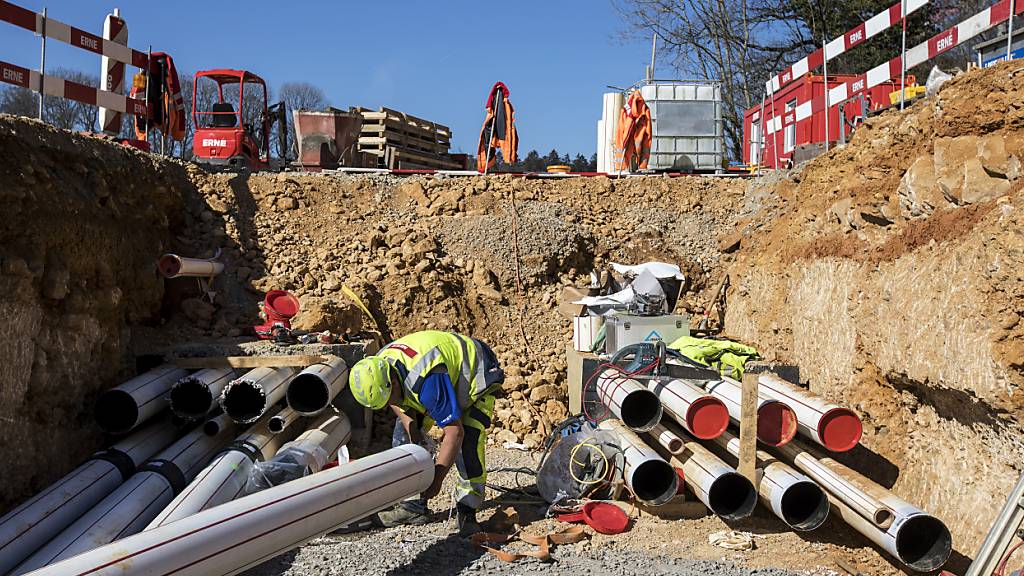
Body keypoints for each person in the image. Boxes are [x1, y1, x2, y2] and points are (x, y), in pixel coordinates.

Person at [348, 330, 504, 535]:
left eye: (388, 400)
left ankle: (468, 509)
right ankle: (412, 508)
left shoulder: (426, 383)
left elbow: (455, 433)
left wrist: (437, 479)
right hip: (440, 373)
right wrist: (412, 429)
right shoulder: (380, 365)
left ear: (393, 383)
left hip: (476, 371)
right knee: (402, 439)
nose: (389, 405)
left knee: (469, 443)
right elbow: (395, 402)